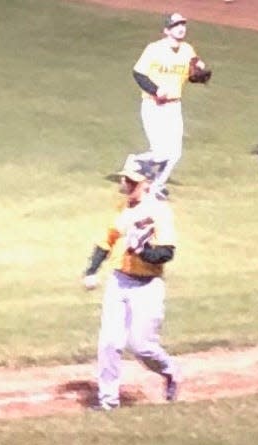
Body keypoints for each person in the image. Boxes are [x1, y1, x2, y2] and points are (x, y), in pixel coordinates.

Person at [82, 156, 180, 411]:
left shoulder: (159, 212)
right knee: (109, 342)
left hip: (147, 286)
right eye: (125, 179)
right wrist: (91, 269)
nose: (126, 184)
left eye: (132, 180)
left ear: (146, 183)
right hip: (119, 281)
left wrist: (141, 251)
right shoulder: (122, 209)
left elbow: (166, 253)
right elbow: (107, 240)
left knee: (141, 346)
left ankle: (169, 371)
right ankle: (108, 401)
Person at [130, 12, 208, 200]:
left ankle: (157, 186)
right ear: (166, 30)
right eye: (176, 25)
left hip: (174, 107)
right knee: (160, 152)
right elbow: (138, 73)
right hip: (153, 106)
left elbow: (191, 75)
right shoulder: (154, 49)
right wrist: (155, 90)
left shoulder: (188, 50)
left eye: (183, 24)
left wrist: (200, 75)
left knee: (175, 153)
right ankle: (134, 162)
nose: (181, 28)